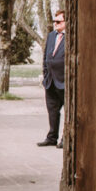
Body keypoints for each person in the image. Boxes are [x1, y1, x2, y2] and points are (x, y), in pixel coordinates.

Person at [38, 9, 66, 148]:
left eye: (59, 21)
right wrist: (45, 73)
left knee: (69, 112)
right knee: (52, 110)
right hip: (50, 81)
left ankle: (65, 138)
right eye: (54, 21)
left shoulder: (71, 37)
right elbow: (46, 56)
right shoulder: (51, 36)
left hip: (64, 81)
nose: (55, 24)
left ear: (66, 22)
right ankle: (52, 137)